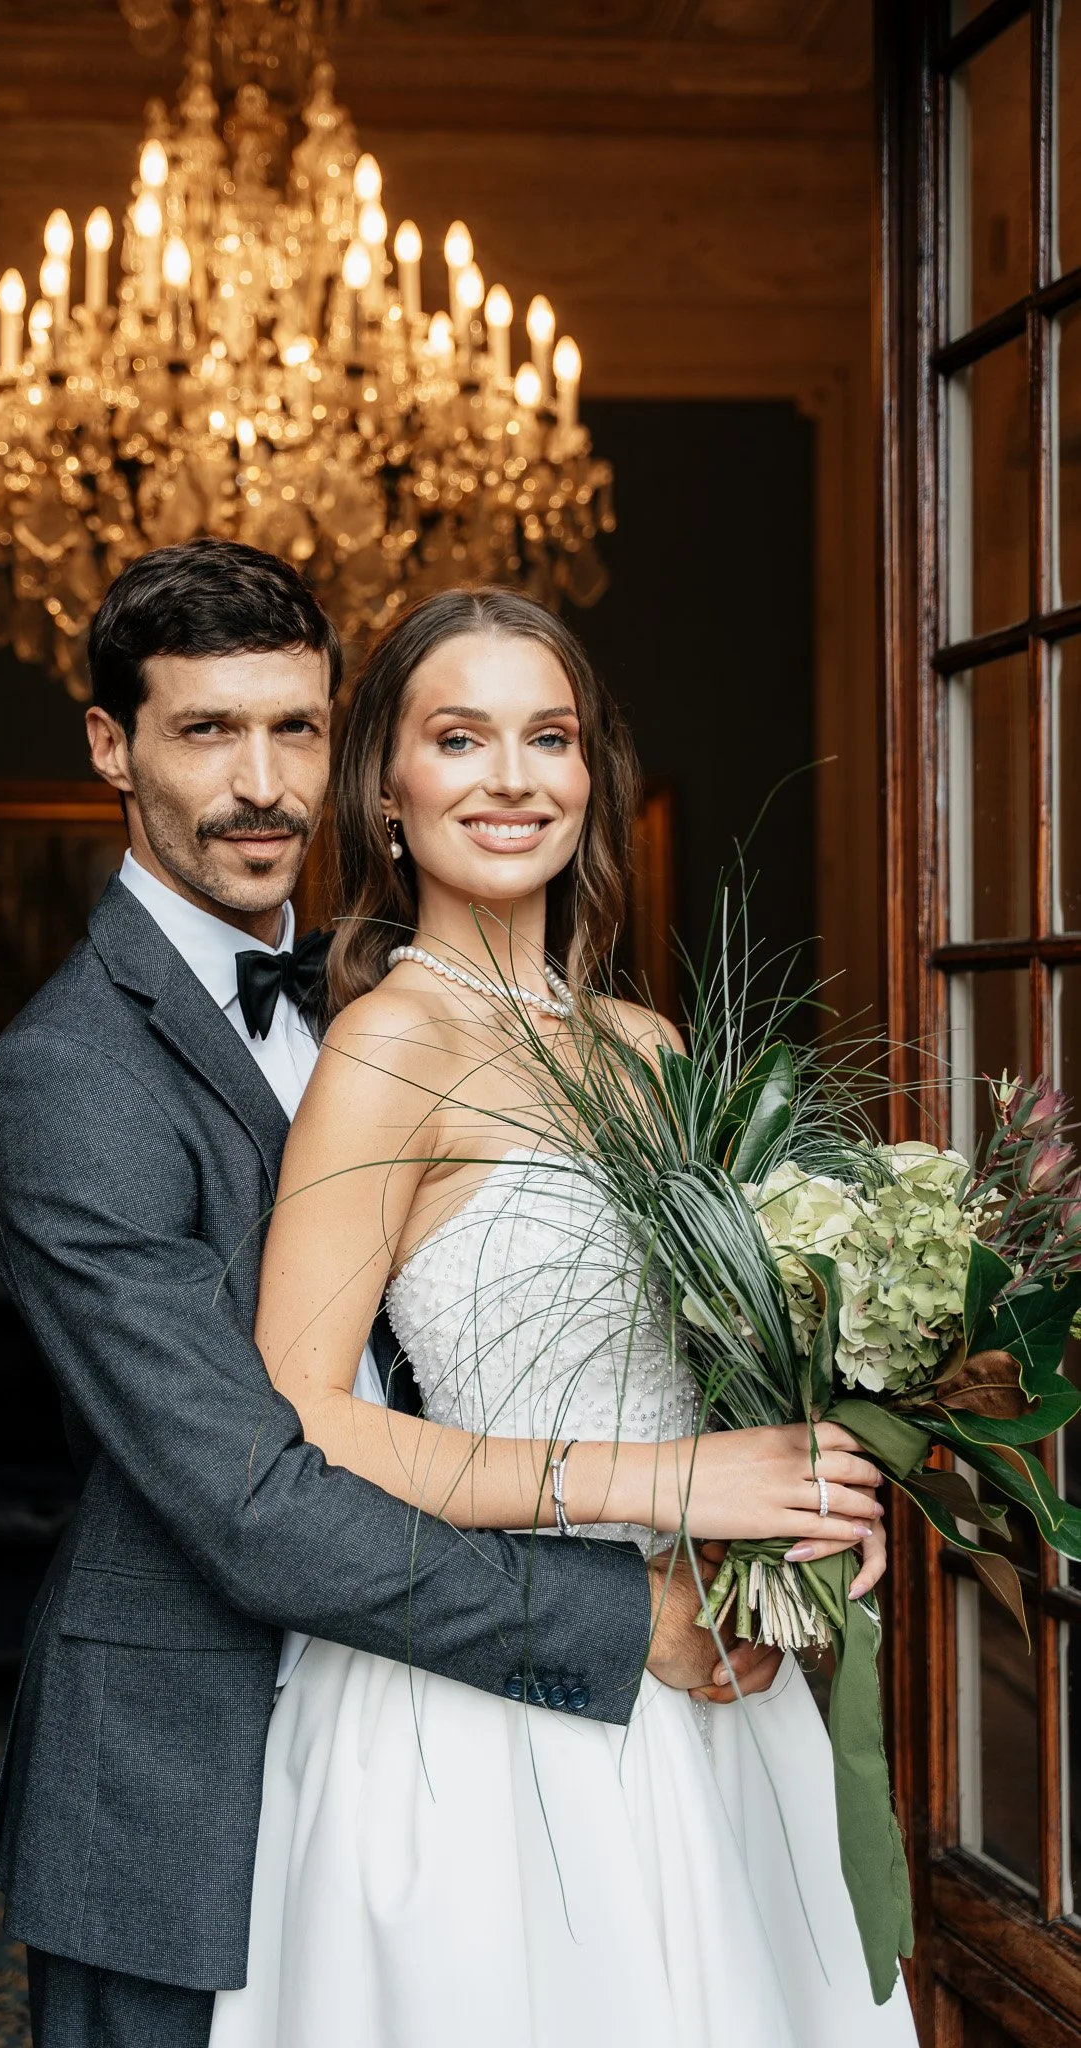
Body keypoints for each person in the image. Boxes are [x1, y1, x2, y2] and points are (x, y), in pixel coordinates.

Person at [0, 539, 885, 2048]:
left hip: (642, 1680)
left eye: (295, 727)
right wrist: (637, 1588)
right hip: (205, 1746)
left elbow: (698, 1356)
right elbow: (257, 1482)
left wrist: (802, 1508)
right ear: (112, 748)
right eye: (205, 729)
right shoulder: (82, 1075)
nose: (260, 781)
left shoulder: (599, 1039)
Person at [207, 586, 915, 2048]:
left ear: (593, 776)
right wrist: (672, 1484)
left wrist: (810, 1500)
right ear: (387, 790)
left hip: (715, 1673)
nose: (513, 778)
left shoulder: (648, 1048)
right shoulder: (388, 1045)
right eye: (460, 738)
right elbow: (306, 1419)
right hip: (496, 1705)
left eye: (551, 737)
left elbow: (729, 1370)